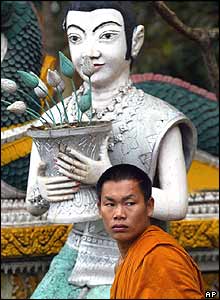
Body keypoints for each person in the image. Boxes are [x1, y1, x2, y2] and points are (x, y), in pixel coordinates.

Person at [26, 1, 197, 299]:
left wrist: (106, 177)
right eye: (77, 38)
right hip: (74, 256)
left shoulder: (159, 119)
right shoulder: (54, 118)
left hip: (140, 254)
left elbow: (178, 205)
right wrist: (44, 190)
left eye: (106, 36)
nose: (89, 51)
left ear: (136, 40)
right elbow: (34, 202)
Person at [97, 163, 205, 299]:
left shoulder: (160, 257)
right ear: (99, 208)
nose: (119, 214)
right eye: (110, 204)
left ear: (149, 206)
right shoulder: (125, 260)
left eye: (129, 203)